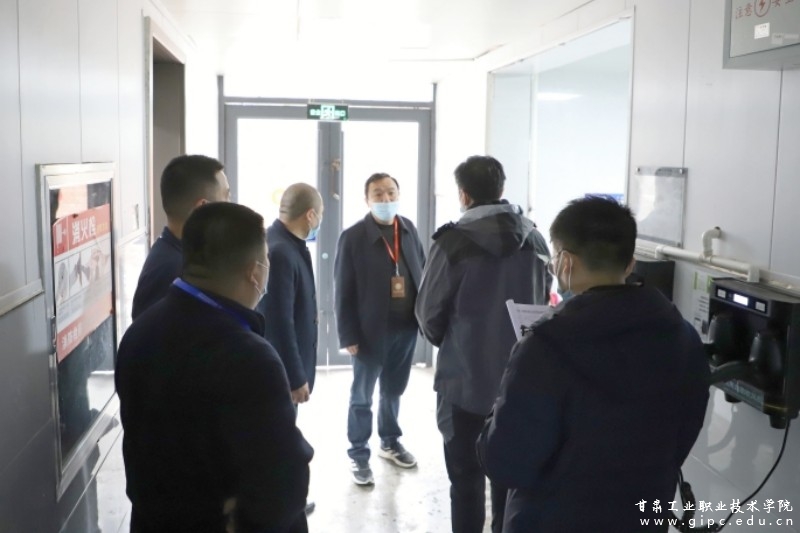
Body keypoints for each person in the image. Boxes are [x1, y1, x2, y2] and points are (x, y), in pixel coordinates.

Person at [477, 196, 710, 533]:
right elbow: (685, 432)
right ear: (630, 264)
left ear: (566, 262)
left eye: (554, 258)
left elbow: (507, 462)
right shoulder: (683, 337)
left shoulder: (545, 347)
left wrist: (494, 414)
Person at [116, 202, 313, 533]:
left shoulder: (139, 332)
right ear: (254, 271)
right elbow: (281, 486)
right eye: (266, 260)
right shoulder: (251, 358)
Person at [415, 155, 550, 533]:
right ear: (501, 189)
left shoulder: (452, 242)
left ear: (464, 194)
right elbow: (543, 304)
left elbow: (427, 313)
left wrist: (456, 343)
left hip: (463, 383)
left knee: (465, 482)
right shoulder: (535, 239)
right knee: (509, 482)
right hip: (520, 384)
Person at [334, 172, 426, 486]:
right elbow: (343, 290)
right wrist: (348, 335)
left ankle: (390, 442)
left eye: (390, 193)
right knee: (362, 396)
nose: (385, 199)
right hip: (369, 333)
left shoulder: (408, 229)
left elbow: (423, 272)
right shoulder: (353, 237)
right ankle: (358, 453)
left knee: (393, 390)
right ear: (367, 199)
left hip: (406, 328)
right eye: (378, 194)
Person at [131, 154, 230, 320]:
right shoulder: (173, 271)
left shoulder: (177, 256)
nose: (231, 206)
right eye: (226, 196)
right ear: (202, 208)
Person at [257, 183, 324, 405]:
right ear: (310, 215)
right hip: (282, 376)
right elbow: (279, 322)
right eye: (321, 215)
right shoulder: (281, 252)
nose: (320, 221)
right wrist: (294, 377)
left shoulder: (286, 243)